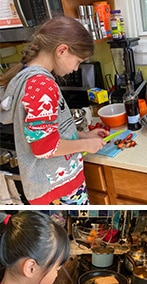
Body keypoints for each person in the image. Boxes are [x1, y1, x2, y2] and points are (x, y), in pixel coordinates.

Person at [0, 16, 109, 205]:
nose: (76, 69)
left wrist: (83, 136)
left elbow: (48, 134)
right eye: (78, 62)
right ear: (62, 50)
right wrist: (86, 146)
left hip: (55, 186)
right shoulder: (41, 85)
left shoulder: (29, 76)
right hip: (58, 190)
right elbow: (45, 147)